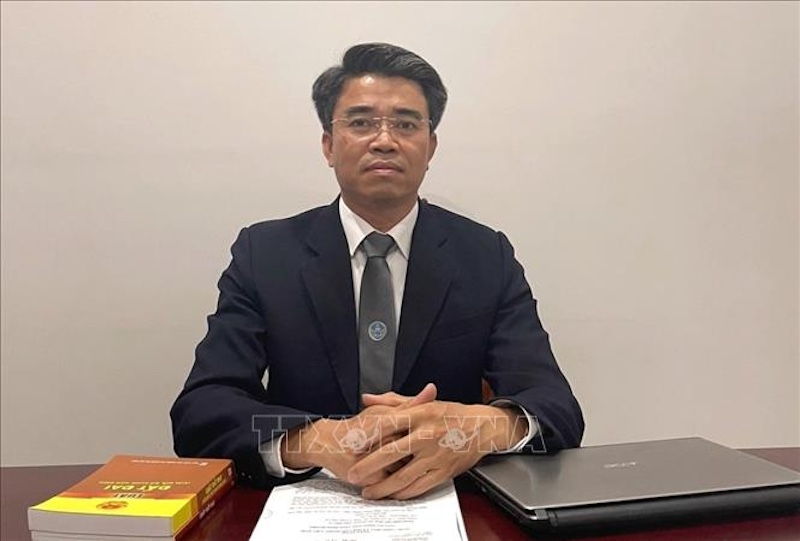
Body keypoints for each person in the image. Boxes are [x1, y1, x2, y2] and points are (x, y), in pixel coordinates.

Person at [171, 42, 584, 500]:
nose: (384, 140)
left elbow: (556, 408)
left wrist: (475, 427)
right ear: (329, 145)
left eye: (406, 124)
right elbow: (201, 412)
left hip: (449, 502)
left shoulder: (486, 255)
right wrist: (319, 440)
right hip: (310, 502)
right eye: (361, 122)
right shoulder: (265, 254)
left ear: (430, 147)